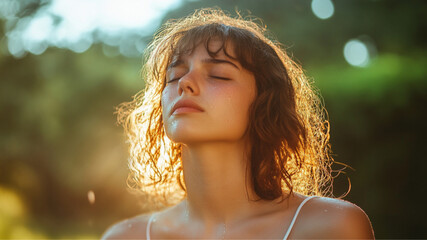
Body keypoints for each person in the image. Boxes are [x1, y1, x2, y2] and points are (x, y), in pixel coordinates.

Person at [102, 8, 374, 239]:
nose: (185, 83)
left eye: (218, 75)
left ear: (264, 103)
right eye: (174, 76)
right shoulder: (125, 237)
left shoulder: (329, 227)